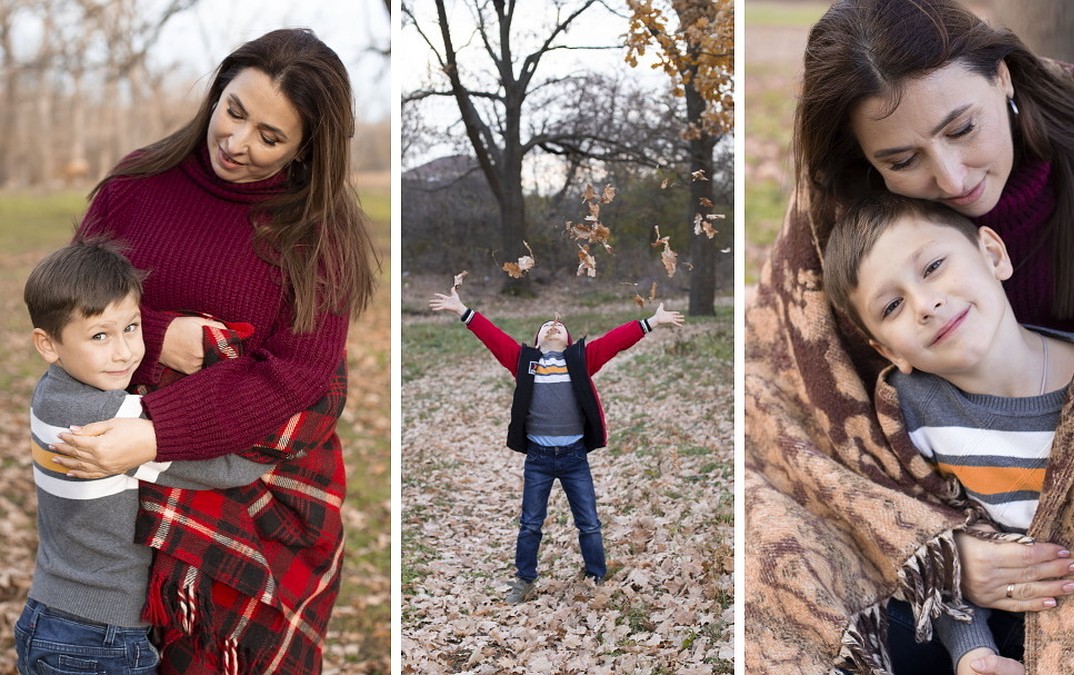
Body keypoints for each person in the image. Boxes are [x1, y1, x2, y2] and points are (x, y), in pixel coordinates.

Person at [744, 0, 1074, 672]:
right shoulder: (847, 224)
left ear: (1004, 78)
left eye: (962, 128)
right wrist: (939, 553)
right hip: (945, 540)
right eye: (902, 159)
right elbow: (791, 402)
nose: (951, 179)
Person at [47, 28, 377, 674]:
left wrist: (154, 432)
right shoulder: (138, 185)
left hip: (259, 496)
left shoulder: (319, 238)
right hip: (112, 499)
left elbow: (293, 379)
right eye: (234, 110)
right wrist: (158, 334)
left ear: (308, 150)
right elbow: (66, 310)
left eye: (270, 137)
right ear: (218, 92)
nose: (237, 141)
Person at [823, 194, 1074, 675]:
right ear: (888, 349)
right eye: (893, 304)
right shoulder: (912, 410)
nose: (926, 304)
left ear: (993, 254)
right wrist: (974, 652)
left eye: (934, 266)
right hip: (996, 619)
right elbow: (928, 539)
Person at [17, 239, 269, 675]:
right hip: (100, 636)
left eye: (131, 328)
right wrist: (281, 441)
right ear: (48, 344)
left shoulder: (53, 392)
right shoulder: (106, 418)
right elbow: (231, 466)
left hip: (53, 614)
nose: (125, 351)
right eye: (100, 335)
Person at [428, 285, 684, 603]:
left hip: (574, 456)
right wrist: (462, 310)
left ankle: (595, 574)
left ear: (569, 340)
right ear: (537, 341)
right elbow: (493, 337)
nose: (553, 326)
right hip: (538, 458)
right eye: (547, 327)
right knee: (531, 524)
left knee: (588, 522)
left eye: (559, 326)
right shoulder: (525, 363)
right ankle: (524, 579)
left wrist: (651, 322)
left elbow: (614, 342)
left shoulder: (580, 361)